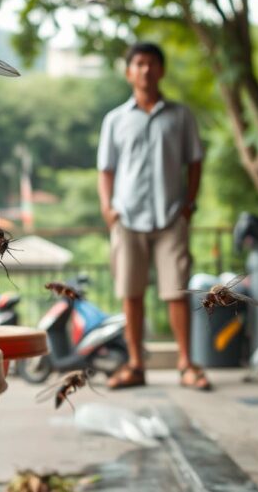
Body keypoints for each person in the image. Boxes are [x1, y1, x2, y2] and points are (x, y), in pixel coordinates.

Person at [97, 42, 211, 391]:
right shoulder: (115, 119)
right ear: (129, 71)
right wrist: (109, 209)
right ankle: (135, 365)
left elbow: (195, 161)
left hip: (170, 218)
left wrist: (188, 206)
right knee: (131, 293)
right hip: (128, 219)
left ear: (162, 70)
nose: (146, 70)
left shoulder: (180, 116)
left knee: (177, 291)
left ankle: (186, 365)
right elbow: (106, 169)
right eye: (139, 64)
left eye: (152, 64)